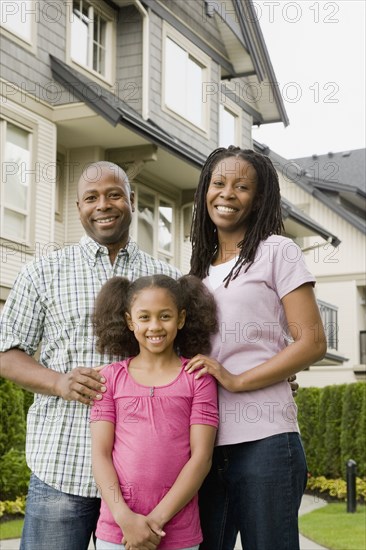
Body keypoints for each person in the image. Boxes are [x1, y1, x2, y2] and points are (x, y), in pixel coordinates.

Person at [0, 162, 181, 550]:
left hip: (142, 477)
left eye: (114, 194)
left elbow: (191, 358)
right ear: (78, 207)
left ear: (132, 201)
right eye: (91, 198)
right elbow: (5, 352)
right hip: (64, 465)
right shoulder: (43, 272)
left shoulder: (166, 278)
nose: (104, 204)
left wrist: (263, 377)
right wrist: (58, 382)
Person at [185, 146, 327, 550]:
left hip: (265, 440)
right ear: (204, 192)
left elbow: (313, 341)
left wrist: (238, 379)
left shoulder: (277, 251)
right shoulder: (195, 272)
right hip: (204, 446)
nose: (227, 194)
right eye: (218, 183)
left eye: (242, 186)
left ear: (259, 198)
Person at [90, 274, 219, 550]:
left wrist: (154, 523)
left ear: (181, 319)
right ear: (129, 321)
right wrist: (125, 519)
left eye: (165, 316)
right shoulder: (111, 379)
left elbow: (202, 458)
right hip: (118, 532)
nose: (154, 326)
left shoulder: (198, 378)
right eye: (144, 317)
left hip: (178, 533)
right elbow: (100, 455)